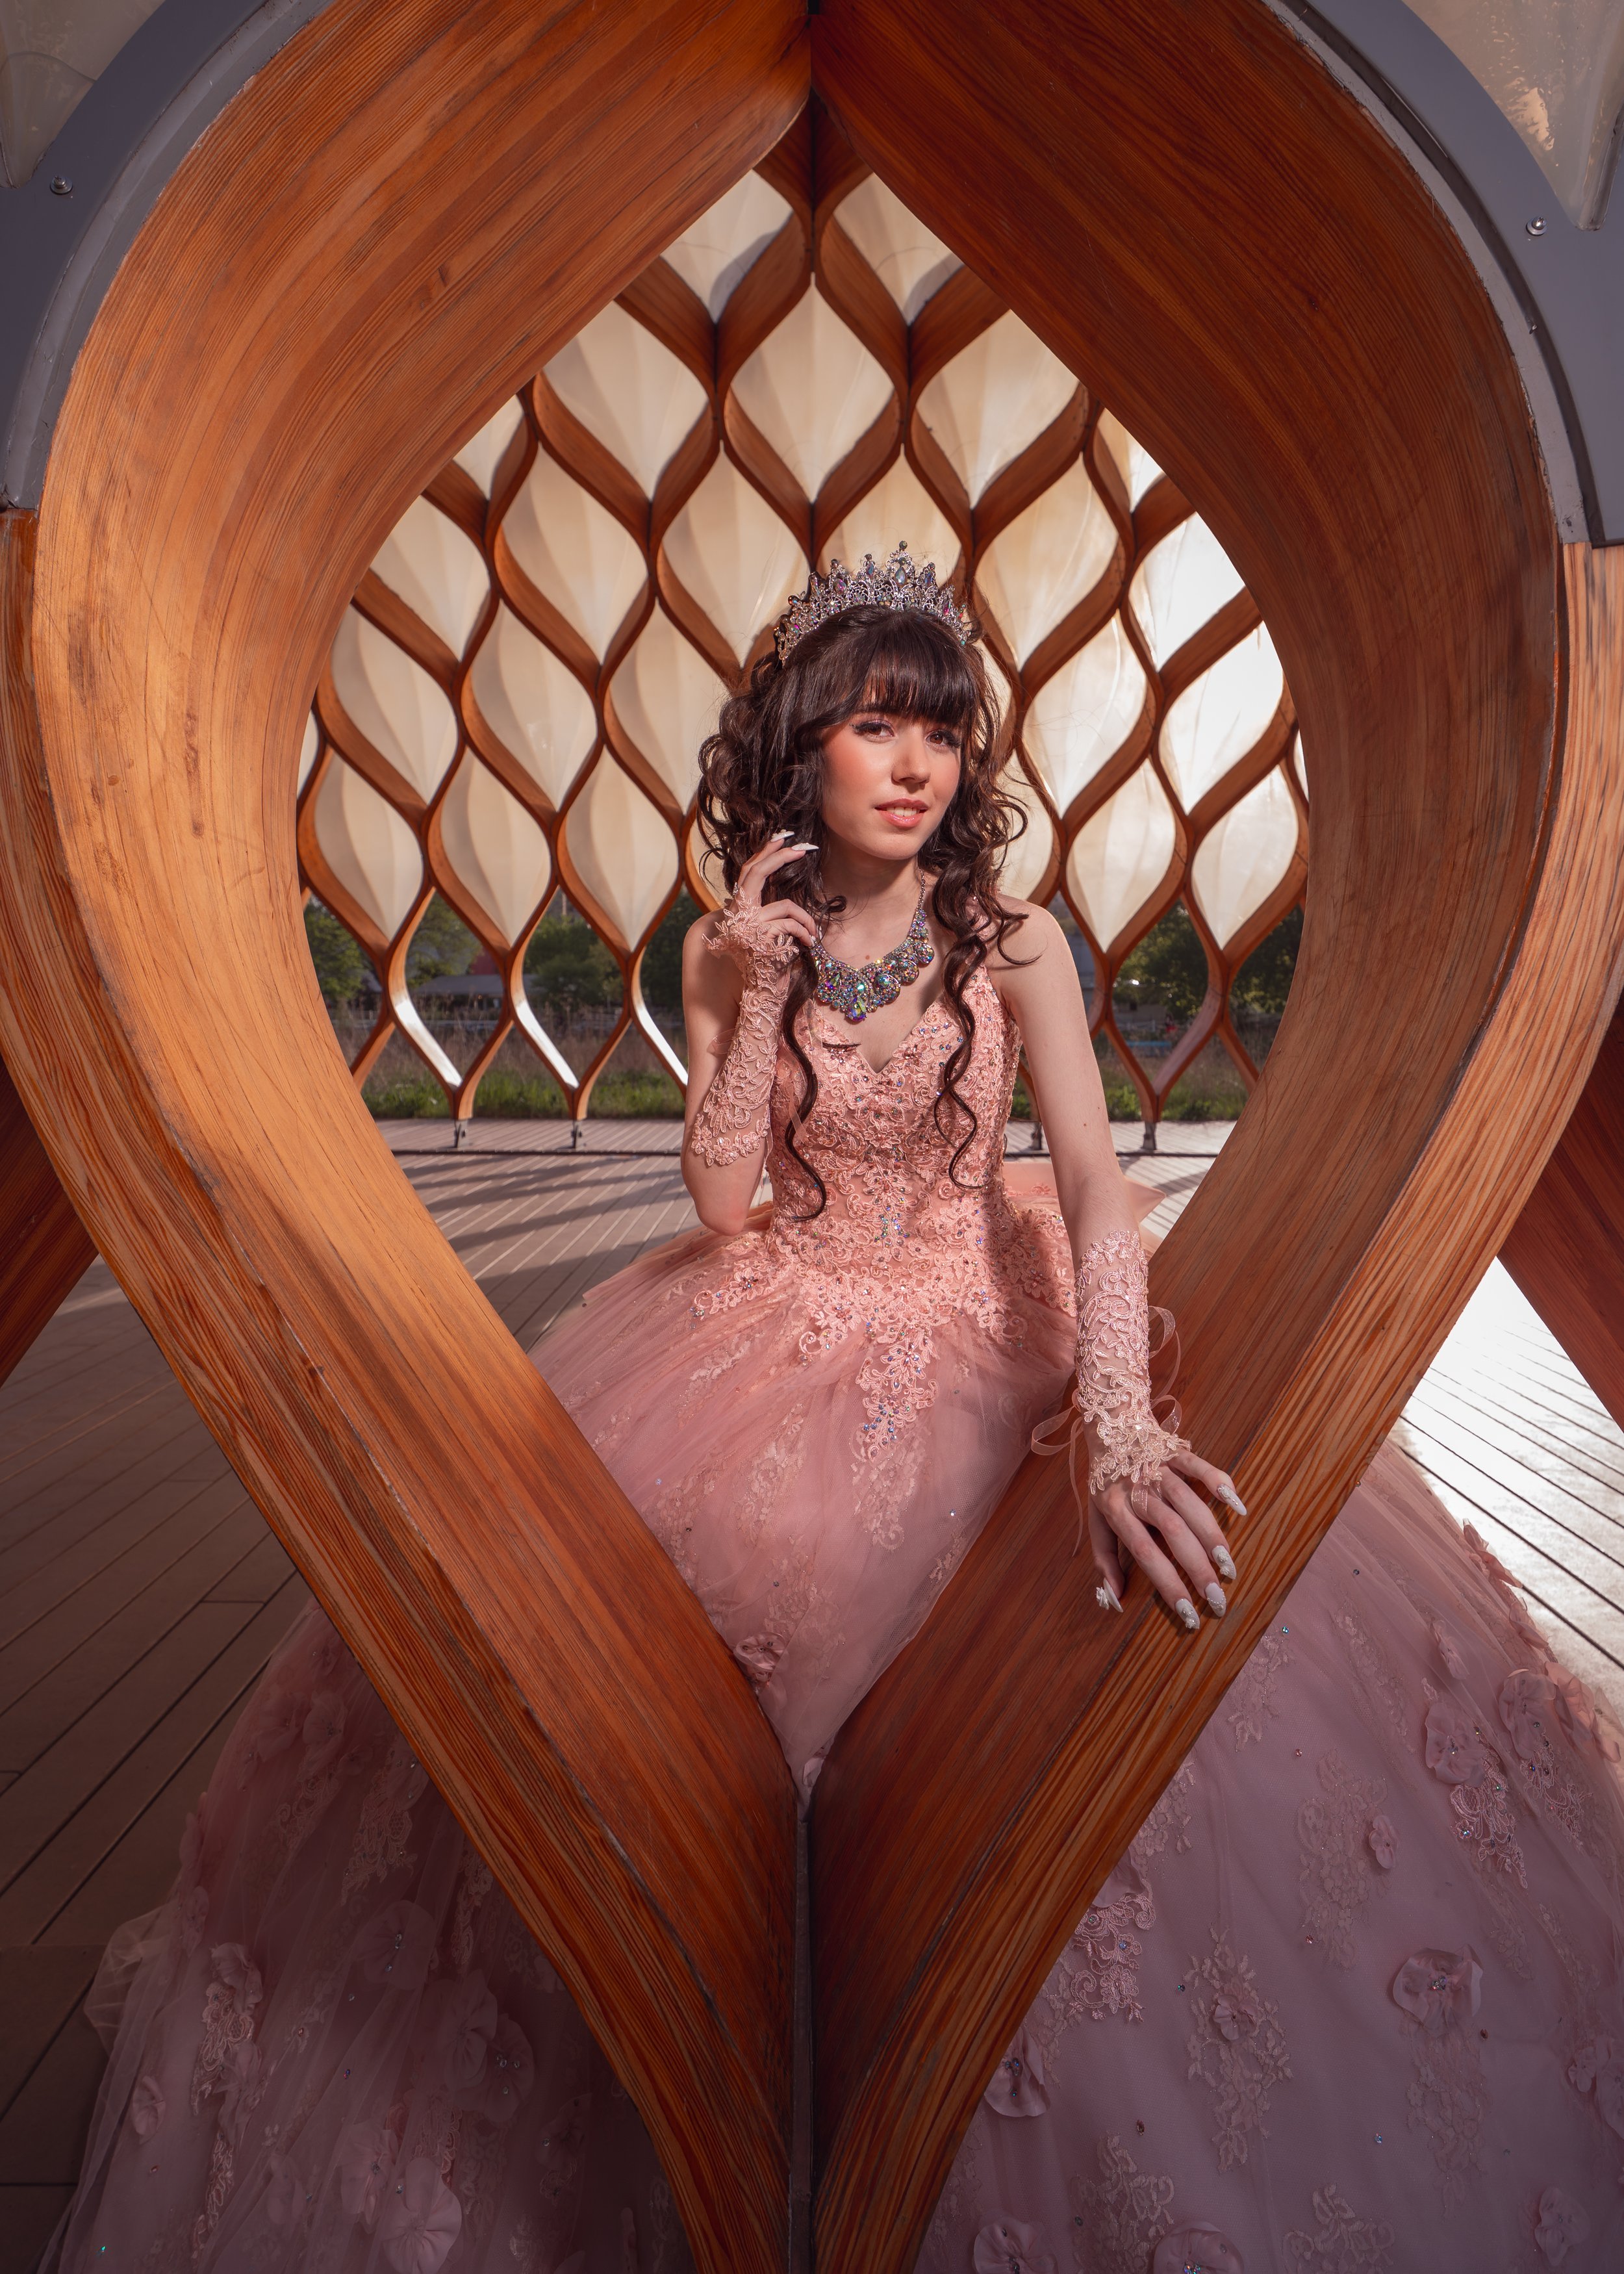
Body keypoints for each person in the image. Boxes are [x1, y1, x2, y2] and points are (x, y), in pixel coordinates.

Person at [47, 550, 1624, 2273]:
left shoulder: (1013, 942)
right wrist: (744, 996)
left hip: (987, 1302)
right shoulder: (734, 952)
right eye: (877, 724)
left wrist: (1114, 1416)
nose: (914, 763)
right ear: (800, 748)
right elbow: (725, 1201)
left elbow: (1095, 1184)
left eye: (938, 730)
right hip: (763, 1315)